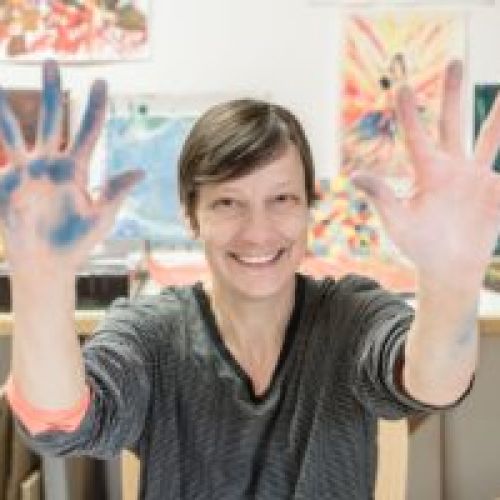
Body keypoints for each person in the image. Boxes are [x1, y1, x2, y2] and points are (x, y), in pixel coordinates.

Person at [2, 58, 499, 499]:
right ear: (191, 217)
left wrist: (451, 279)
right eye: (227, 203)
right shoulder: (151, 333)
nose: (258, 232)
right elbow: (57, 423)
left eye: (281, 199)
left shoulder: (350, 315)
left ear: (308, 208)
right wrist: (40, 278)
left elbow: (434, 384)